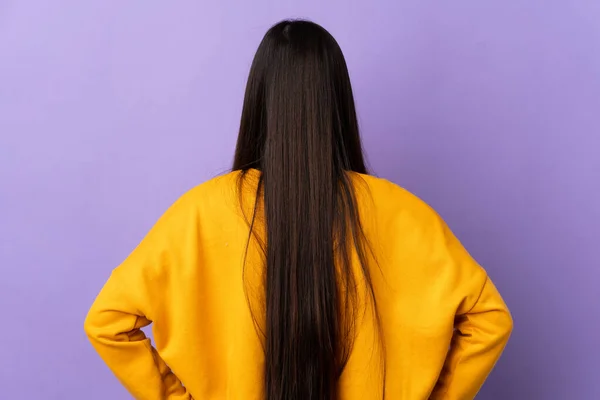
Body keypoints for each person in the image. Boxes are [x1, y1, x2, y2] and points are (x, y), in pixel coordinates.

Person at [84, 19, 512, 400]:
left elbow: (108, 323)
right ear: (337, 103)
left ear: (260, 100)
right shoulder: (403, 213)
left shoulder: (198, 214)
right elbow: (490, 319)